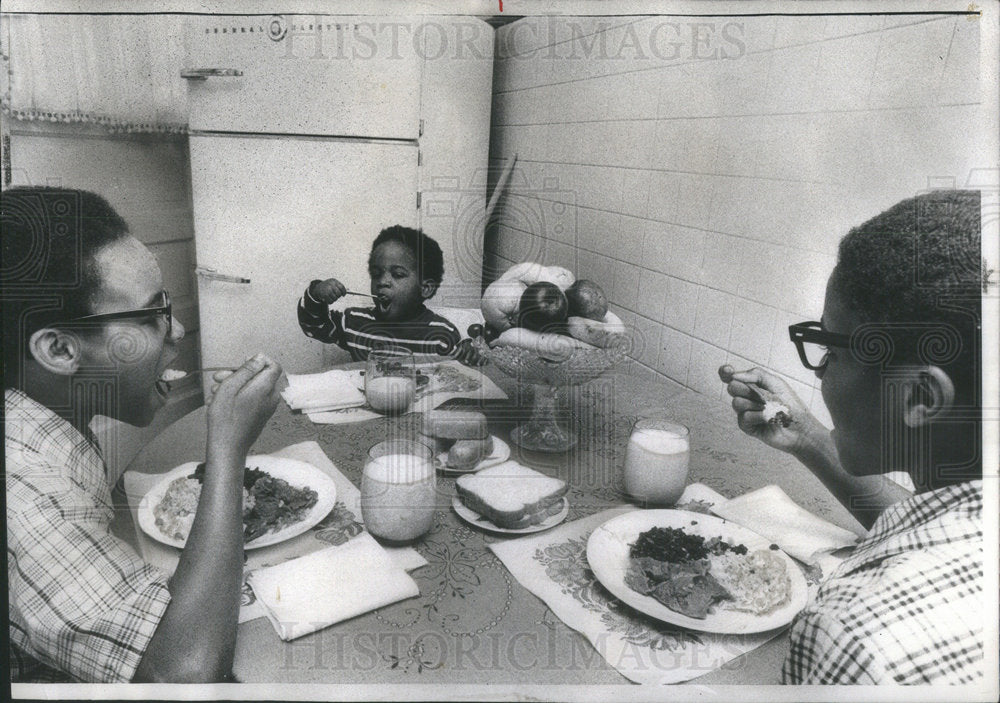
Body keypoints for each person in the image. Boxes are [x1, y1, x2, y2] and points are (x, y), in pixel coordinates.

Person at [3, 187, 283, 682]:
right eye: (151, 314)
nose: (176, 331)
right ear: (61, 350)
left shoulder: (38, 421)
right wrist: (227, 450)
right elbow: (181, 676)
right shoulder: (26, 492)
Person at [720, 189, 985, 684]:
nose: (822, 375)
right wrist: (806, 436)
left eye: (832, 351)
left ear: (919, 398)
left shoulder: (856, 635)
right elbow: (928, 529)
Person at [298, 224, 482, 364]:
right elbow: (313, 327)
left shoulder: (441, 333)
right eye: (376, 274)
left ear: (425, 288)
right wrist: (316, 292)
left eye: (398, 275)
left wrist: (468, 356)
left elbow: (461, 371)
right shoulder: (355, 321)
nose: (382, 282)